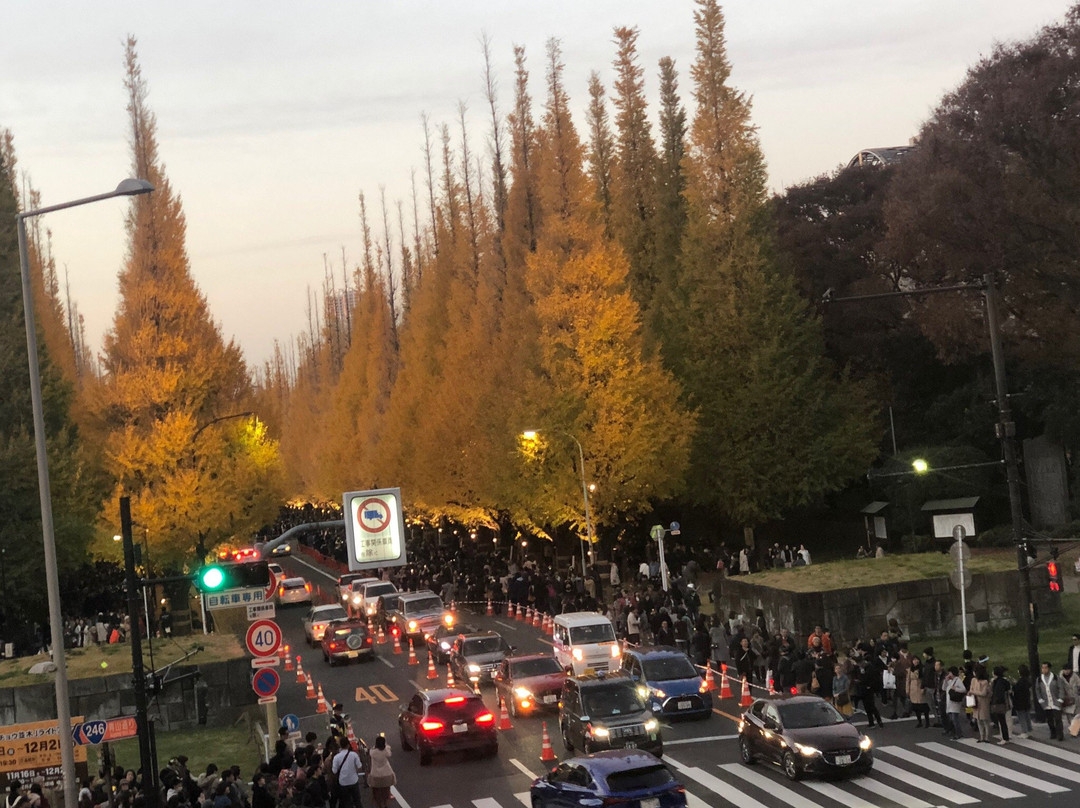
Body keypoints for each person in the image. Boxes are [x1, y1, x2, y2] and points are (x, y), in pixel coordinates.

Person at [332, 739, 365, 808]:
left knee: (346, 802)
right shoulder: (354, 755)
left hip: (343, 782)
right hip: (353, 781)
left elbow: (334, 771)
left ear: (340, 746)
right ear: (348, 745)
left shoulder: (336, 757)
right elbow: (359, 766)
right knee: (357, 800)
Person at [1037, 661, 1065, 741]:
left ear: (1049, 668)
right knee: (1050, 720)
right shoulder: (1039, 679)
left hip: (1056, 702)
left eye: (1045, 668)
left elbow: (1061, 688)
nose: (1044, 669)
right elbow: (1037, 690)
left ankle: (1060, 735)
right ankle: (1053, 733)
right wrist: (1040, 700)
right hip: (1046, 703)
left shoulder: (1056, 678)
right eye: (1042, 668)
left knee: (1058, 719)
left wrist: (1060, 699)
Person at [367, 735, 395, 808]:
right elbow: (389, 752)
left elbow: (371, 750)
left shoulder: (372, 752)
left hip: (375, 775)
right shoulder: (386, 751)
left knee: (376, 793)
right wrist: (386, 745)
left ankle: (379, 805)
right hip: (387, 774)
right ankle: (385, 804)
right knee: (386, 791)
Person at [943, 666, 967, 740]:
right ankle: (954, 732)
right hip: (950, 703)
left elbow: (963, 689)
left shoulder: (958, 680)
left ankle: (958, 733)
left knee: (954, 719)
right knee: (951, 719)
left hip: (955, 703)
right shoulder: (950, 681)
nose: (948, 674)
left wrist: (955, 689)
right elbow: (943, 688)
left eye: (950, 672)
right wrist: (945, 681)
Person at [989, 666, 1011, 744]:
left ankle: (1005, 737)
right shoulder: (1004, 681)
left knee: (1002, 721)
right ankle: (1006, 736)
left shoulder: (997, 682)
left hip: (1000, 704)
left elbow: (996, 694)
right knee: (1004, 721)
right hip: (1006, 703)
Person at [969, 667, 992, 742]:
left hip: (983, 702)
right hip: (976, 702)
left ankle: (987, 737)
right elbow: (971, 689)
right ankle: (981, 736)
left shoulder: (985, 682)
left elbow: (983, 693)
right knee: (978, 719)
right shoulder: (973, 680)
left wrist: (973, 692)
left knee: (985, 719)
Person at [907, 657, 929, 727]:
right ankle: (919, 722)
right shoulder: (910, 669)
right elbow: (908, 680)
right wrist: (907, 690)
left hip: (920, 688)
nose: (915, 661)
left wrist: (924, 687)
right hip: (913, 689)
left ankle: (927, 722)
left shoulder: (922, 668)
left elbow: (925, 679)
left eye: (917, 659)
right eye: (914, 660)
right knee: (916, 707)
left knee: (924, 706)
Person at [1013, 664, 1033, 738]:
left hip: (1020, 702)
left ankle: (1024, 731)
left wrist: (1014, 684)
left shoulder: (1020, 682)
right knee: (1027, 716)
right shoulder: (1027, 680)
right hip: (1026, 701)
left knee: (1022, 717)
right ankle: (1029, 729)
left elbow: (1016, 690)